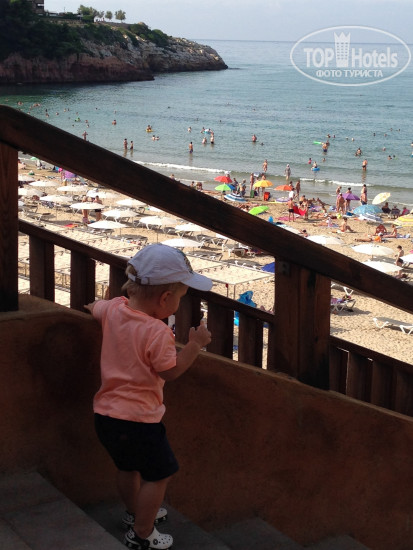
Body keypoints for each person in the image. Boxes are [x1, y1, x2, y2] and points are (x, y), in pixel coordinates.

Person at [85, 244, 212, 550]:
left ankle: (134, 513)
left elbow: (94, 307)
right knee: (159, 475)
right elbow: (170, 371)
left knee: (127, 468)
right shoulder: (158, 332)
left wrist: (91, 307)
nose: (179, 305)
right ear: (165, 298)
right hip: (139, 421)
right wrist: (195, 345)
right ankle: (142, 534)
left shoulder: (113, 309)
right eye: (180, 298)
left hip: (106, 415)